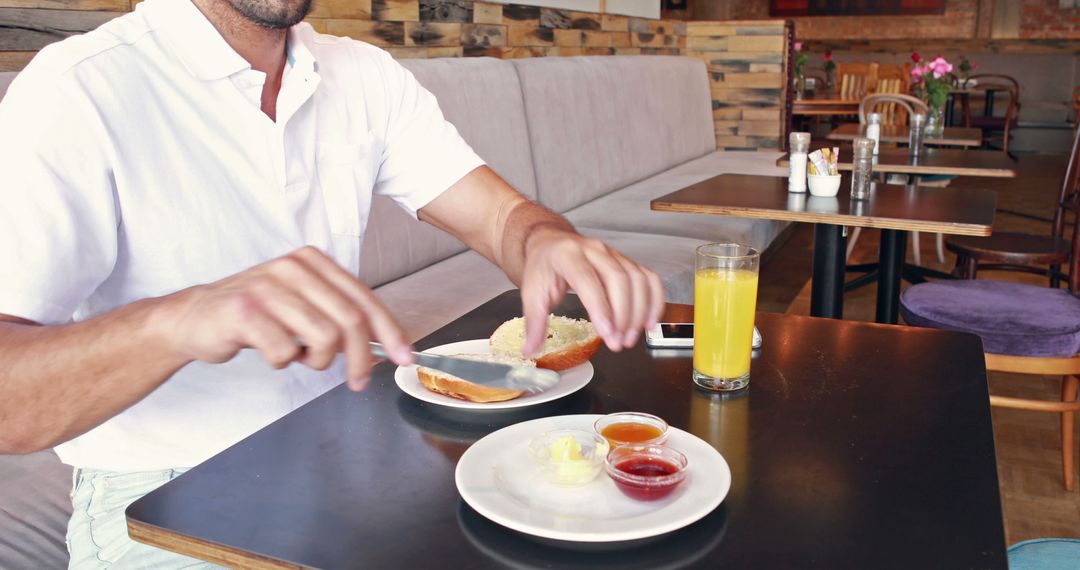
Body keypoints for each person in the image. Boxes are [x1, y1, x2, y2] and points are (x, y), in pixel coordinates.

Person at [0, 0, 665, 566]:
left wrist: (542, 239)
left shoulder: (361, 72)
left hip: (343, 450)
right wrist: (178, 319)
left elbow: (502, 219)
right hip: (162, 490)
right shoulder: (77, 89)